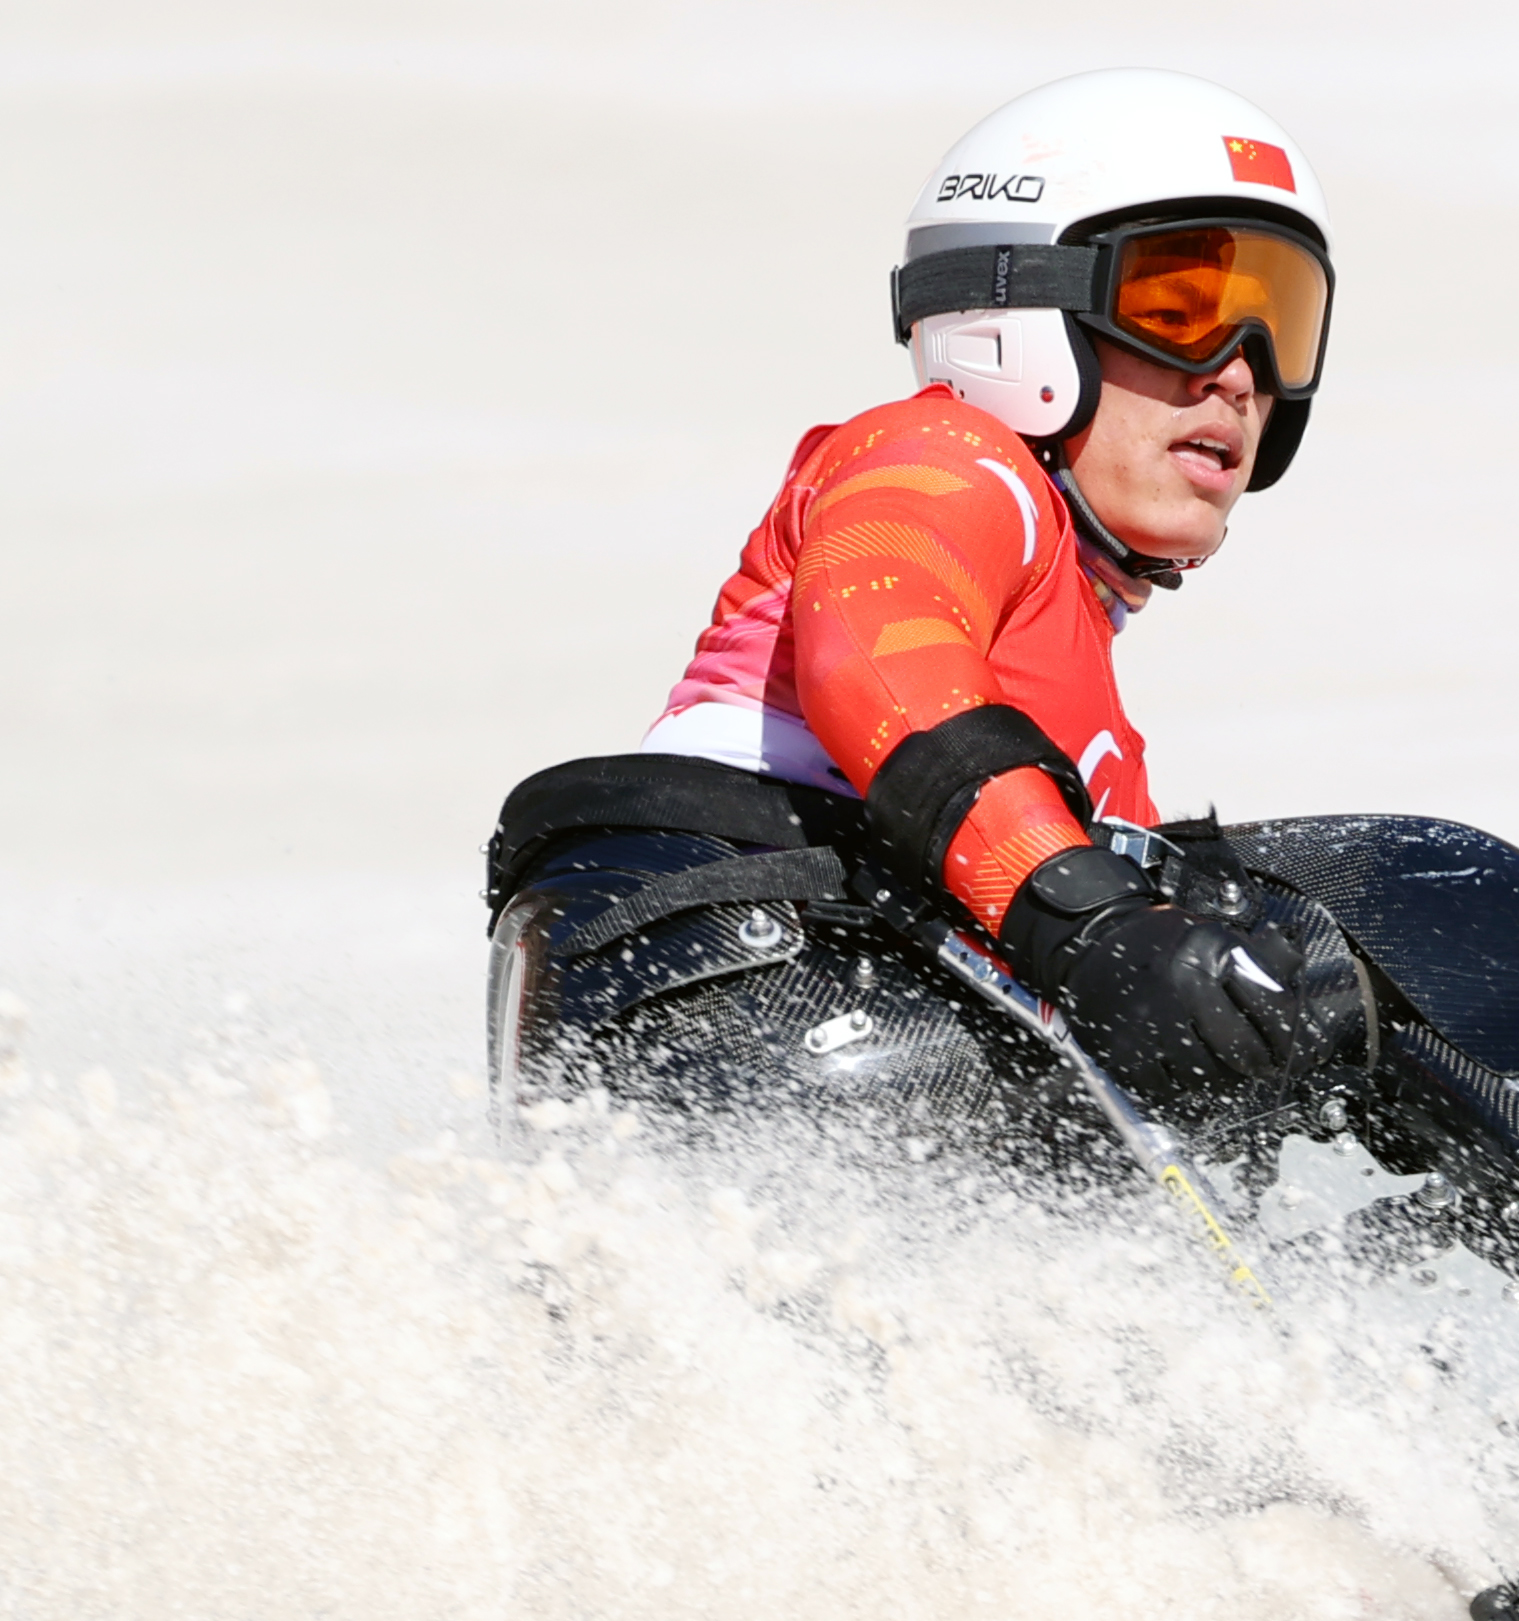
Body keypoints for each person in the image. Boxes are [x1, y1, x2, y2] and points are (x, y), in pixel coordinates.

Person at [487, 70, 1357, 1105]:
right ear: (1027, 309)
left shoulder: (1091, 730)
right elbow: (880, 647)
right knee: (1397, 889)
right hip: (747, 964)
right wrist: (1087, 918)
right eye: (1181, 307)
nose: (1239, 374)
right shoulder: (946, 455)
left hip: (817, 1003)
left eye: (1280, 325)